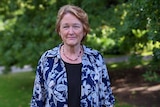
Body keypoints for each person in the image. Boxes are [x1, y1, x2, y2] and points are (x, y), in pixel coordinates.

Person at [30, 4, 115, 107]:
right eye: (66, 27)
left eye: (76, 26)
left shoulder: (96, 59)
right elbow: (37, 101)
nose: (71, 32)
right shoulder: (47, 60)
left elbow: (107, 100)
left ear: (84, 30)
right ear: (59, 31)